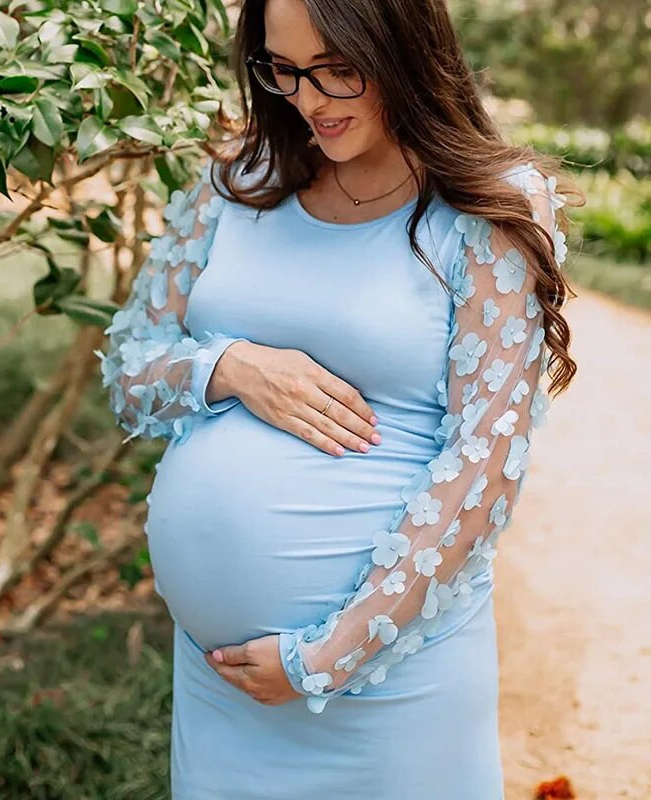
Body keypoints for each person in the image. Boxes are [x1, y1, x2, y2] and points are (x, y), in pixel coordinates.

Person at [96, 0, 580, 796]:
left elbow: (485, 465)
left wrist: (329, 656)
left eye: (337, 71)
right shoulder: (238, 177)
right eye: (282, 69)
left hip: (391, 686)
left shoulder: (489, 205)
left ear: (404, 49)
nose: (308, 100)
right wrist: (233, 366)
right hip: (224, 692)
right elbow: (130, 369)